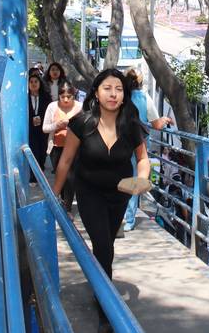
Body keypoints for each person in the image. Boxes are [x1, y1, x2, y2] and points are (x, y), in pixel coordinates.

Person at [52, 69, 150, 282]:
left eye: (118, 89)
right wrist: (53, 195)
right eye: (107, 88)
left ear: (124, 95)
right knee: (102, 244)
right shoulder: (81, 122)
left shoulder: (131, 125)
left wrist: (141, 179)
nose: (113, 94)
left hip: (120, 194)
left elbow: (142, 159)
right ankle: (106, 302)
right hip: (89, 192)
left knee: (107, 244)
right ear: (96, 93)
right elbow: (66, 160)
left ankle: (102, 286)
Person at [122, 68, 172, 232]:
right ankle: (129, 219)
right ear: (141, 82)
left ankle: (118, 214)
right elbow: (156, 124)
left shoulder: (120, 97)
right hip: (139, 144)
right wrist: (164, 120)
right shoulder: (144, 97)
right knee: (135, 178)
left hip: (119, 142)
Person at [43, 80, 82, 209]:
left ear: (73, 95)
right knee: (61, 177)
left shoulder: (80, 107)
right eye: (62, 97)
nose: (65, 99)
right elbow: (45, 128)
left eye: (68, 97)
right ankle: (62, 202)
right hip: (56, 147)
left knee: (71, 178)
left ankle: (67, 206)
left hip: (75, 148)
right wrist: (57, 125)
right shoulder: (52, 107)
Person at [27, 69, 51, 179]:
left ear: (40, 83)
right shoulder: (24, 98)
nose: (33, 84)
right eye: (31, 82)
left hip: (43, 129)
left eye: (35, 82)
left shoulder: (46, 97)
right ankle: (33, 176)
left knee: (42, 152)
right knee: (34, 151)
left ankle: (40, 170)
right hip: (30, 130)